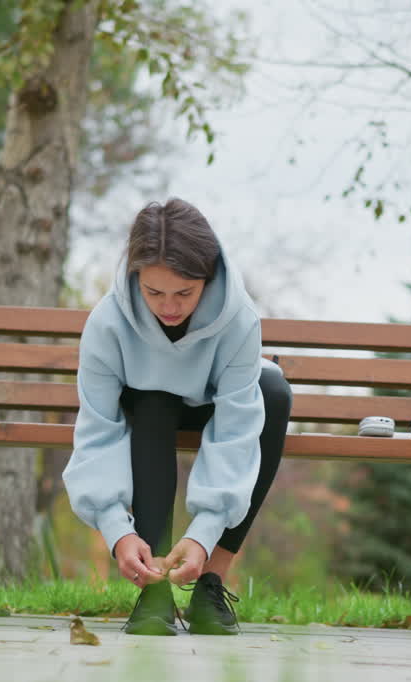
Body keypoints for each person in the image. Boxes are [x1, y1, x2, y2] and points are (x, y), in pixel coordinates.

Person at [61, 198, 292, 636]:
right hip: (151, 410)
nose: (169, 307)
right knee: (151, 401)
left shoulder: (239, 319)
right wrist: (116, 531)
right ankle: (154, 590)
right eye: (154, 292)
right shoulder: (107, 325)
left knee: (274, 393)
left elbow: (236, 431)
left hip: (214, 405)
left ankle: (210, 581)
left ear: (207, 278)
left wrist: (204, 532)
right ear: (134, 278)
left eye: (184, 293)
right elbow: (98, 431)